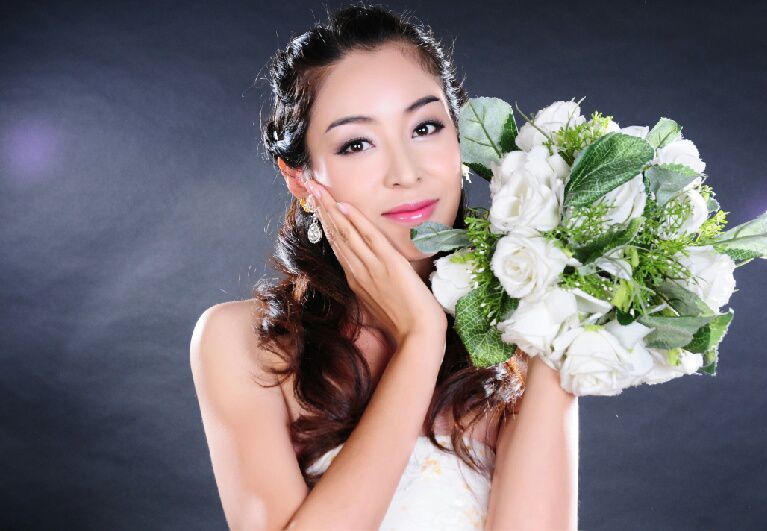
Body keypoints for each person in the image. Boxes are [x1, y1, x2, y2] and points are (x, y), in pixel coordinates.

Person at [190, 4, 579, 529]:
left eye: (425, 127)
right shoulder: (243, 341)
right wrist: (420, 339)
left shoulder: (524, 335)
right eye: (357, 143)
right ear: (301, 180)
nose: (406, 172)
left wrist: (559, 330)